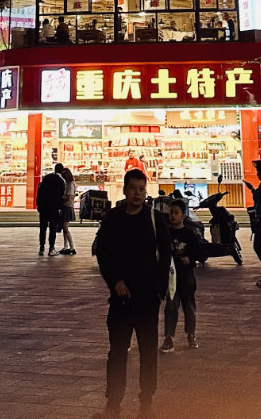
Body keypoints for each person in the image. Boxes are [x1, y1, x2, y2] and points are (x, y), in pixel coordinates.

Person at [93, 167, 172, 417]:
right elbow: (103, 252)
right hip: (121, 299)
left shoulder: (154, 219)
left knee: (148, 352)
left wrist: (158, 288)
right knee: (117, 351)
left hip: (147, 299)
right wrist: (114, 281)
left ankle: (146, 401)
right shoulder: (113, 218)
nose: (137, 194)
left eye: (141, 189)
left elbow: (165, 254)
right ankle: (113, 402)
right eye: (133, 189)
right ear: (125, 190)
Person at [161, 197, 206, 353]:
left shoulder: (189, 233)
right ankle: (168, 337)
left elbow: (200, 251)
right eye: (171, 213)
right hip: (171, 277)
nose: (173, 216)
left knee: (189, 306)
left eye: (176, 213)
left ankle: (191, 333)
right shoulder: (166, 233)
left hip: (186, 277)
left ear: (183, 216)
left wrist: (190, 258)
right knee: (171, 306)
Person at [37, 165, 66, 257]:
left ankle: (41, 248)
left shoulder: (46, 178)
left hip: (43, 207)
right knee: (52, 229)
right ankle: (51, 248)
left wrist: (39, 205)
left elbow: (39, 191)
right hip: (53, 208)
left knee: (43, 228)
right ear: (62, 171)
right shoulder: (61, 181)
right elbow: (61, 195)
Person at [58, 164, 78, 255]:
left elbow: (69, 197)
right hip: (67, 206)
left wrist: (61, 198)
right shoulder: (69, 183)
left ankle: (72, 247)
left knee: (65, 228)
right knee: (64, 228)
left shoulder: (70, 184)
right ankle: (66, 246)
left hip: (67, 206)